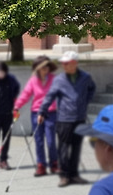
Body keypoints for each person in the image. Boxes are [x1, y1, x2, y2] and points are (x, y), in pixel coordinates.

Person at [40, 51, 97, 187]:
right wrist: (42, 111)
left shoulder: (86, 77)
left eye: (67, 63)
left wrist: (85, 102)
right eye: (63, 63)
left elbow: (92, 88)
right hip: (64, 119)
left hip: (79, 117)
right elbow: (50, 96)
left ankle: (74, 174)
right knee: (64, 148)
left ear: (75, 63)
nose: (64, 66)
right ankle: (64, 175)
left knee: (76, 147)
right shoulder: (59, 80)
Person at [15, 56, 60, 177]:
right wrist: (16, 106)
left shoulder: (54, 79)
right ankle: (41, 165)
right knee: (39, 140)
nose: (45, 69)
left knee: (50, 140)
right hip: (36, 112)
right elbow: (26, 95)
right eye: (43, 67)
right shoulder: (33, 80)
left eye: (47, 66)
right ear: (38, 68)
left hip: (50, 112)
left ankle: (54, 163)